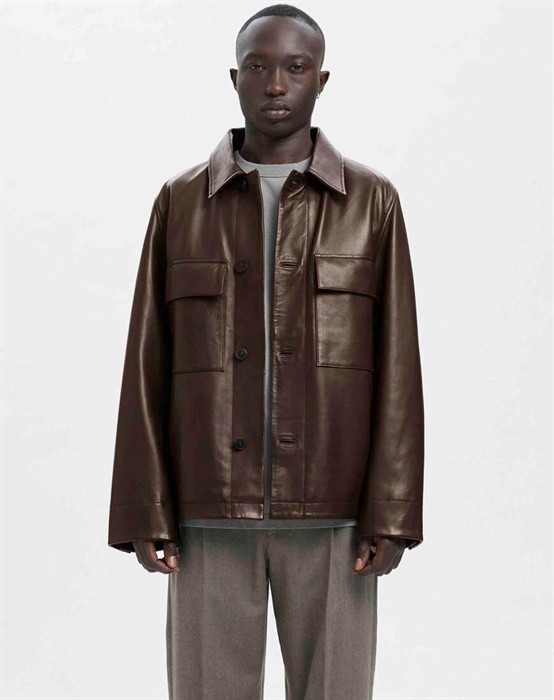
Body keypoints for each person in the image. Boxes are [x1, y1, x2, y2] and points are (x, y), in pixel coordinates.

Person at [108, 4, 425, 699]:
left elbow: (399, 367)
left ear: (322, 79)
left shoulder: (371, 202)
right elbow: (146, 365)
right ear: (234, 78)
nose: (276, 83)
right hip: (207, 509)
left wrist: (393, 511)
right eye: (258, 67)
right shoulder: (180, 202)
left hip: (339, 513)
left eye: (295, 67)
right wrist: (143, 506)